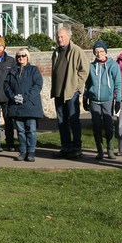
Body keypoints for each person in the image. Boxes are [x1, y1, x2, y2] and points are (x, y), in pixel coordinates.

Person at [50, 26, 89, 159]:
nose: (59, 39)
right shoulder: (56, 52)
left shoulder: (76, 50)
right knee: (61, 121)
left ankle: (77, 148)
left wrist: (77, 87)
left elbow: (84, 71)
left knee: (73, 120)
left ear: (68, 37)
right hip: (59, 93)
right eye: (58, 37)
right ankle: (65, 147)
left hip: (71, 93)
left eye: (62, 37)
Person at [84, 40, 122, 160]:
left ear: (105, 52)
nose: (99, 54)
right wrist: (85, 98)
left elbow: (118, 83)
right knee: (96, 126)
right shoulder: (91, 66)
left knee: (109, 125)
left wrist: (119, 100)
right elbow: (87, 84)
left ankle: (110, 150)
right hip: (94, 100)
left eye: (101, 51)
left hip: (108, 100)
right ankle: (100, 151)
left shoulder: (113, 66)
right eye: (96, 52)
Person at [3, 48, 44, 162]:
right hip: (16, 106)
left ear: (27, 57)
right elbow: (6, 86)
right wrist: (13, 96)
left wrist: (24, 97)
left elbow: (37, 85)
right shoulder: (12, 71)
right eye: (19, 56)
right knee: (20, 131)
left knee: (31, 130)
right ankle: (22, 151)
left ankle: (31, 152)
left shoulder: (33, 70)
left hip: (30, 105)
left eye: (23, 56)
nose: (21, 58)